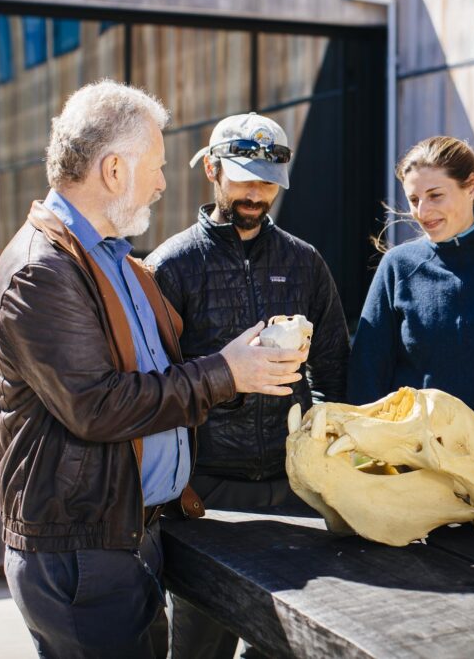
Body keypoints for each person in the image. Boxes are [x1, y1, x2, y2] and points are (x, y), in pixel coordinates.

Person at [0, 81, 306, 659]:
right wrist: (227, 374)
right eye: (155, 167)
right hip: (81, 555)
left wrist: (240, 369)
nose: (161, 183)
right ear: (112, 170)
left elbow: (155, 377)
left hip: (127, 538)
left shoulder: (113, 259)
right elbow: (99, 407)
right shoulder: (42, 272)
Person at [146, 112, 349, 658]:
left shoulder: (304, 262)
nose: (257, 192)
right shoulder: (170, 265)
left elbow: (334, 367)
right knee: (199, 645)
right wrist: (176, 482)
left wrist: (327, 460)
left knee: (288, 644)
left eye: (268, 181)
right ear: (212, 169)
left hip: (295, 488)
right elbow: (153, 386)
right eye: (243, 177)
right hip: (204, 493)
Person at [347, 136, 474, 445]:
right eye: (414, 199)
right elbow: (368, 370)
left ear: (471, 186)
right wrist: (377, 449)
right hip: (409, 457)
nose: (422, 211)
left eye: (435, 196)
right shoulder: (398, 265)